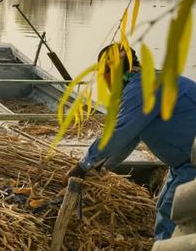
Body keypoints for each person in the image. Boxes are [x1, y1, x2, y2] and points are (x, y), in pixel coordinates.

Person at [66, 43, 196, 240]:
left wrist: (84, 165)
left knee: (172, 214)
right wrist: (103, 167)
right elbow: (130, 138)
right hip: (183, 164)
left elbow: (119, 132)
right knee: (164, 207)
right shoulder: (142, 83)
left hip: (192, 164)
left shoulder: (144, 86)